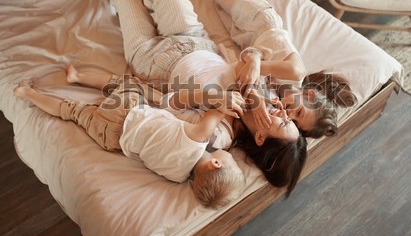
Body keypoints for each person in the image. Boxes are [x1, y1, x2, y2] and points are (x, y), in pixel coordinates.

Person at [91, 0, 306, 196]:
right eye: (288, 118)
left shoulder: (219, 134)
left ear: (261, 137)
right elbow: (247, 57)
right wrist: (253, 68)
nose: (285, 113)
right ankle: (147, 0)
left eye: (284, 123)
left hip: (154, 61)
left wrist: (211, 98)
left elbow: (168, 105)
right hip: (194, 40)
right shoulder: (267, 97)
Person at [13, 66, 245, 209]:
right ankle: (27, 93)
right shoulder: (177, 177)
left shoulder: (198, 137)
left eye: (232, 161)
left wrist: (228, 106)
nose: (232, 156)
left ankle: (77, 76)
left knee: (130, 84)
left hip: (126, 111)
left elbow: (216, 111)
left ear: (216, 162)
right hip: (111, 137)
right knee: (71, 111)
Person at [187, 0, 357, 139]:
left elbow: (247, 72)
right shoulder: (295, 72)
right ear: (308, 94)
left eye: (295, 122)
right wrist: (256, 92)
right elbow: (255, 66)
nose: (289, 114)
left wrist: (256, 95)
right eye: (298, 111)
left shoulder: (277, 93)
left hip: (246, 37)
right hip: (261, 23)